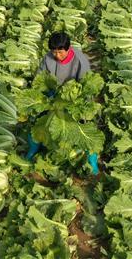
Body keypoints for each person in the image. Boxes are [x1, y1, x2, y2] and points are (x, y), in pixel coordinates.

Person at [26, 32, 99, 174]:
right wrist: (48, 94)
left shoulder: (80, 60)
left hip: (75, 102)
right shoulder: (48, 59)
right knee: (38, 122)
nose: (57, 56)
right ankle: (33, 148)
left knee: (86, 128)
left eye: (60, 52)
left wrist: (78, 103)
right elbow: (39, 79)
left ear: (69, 48)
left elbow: (87, 85)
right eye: (54, 52)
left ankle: (92, 159)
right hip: (54, 99)